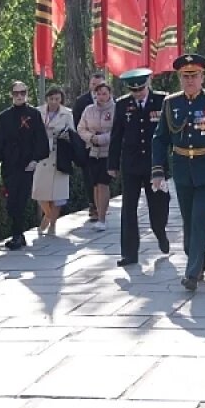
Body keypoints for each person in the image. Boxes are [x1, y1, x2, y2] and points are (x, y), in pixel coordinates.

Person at [151, 53, 205, 291]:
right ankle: (197, 264)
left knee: (200, 218)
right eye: (185, 76)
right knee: (189, 221)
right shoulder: (171, 102)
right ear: (180, 78)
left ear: (202, 78)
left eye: (194, 76)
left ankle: (191, 272)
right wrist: (158, 172)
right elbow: (160, 140)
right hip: (181, 169)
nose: (189, 81)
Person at [110, 68, 170, 266]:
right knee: (129, 208)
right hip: (131, 164)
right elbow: (116, 136)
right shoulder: (122, 105)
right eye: (134, 90)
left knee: (158, 204)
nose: (138, 93)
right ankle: (129, 253)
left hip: (155, 165)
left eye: (141, 89)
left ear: (148, 84)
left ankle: (160, 232)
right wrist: (112, 164)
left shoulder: (162, 101)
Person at [0, 81, 49, 250]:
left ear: (27, 93)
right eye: (16, 93)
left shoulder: (34, 114)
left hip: (27, 164)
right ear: (11, 95)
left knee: (20, 200)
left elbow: (41, 140)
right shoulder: (4, 117)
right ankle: (18, 233)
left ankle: (17, 235)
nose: (20, 96)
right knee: (11, 202)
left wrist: (36, 160)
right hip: (10, 164)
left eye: (22, 92)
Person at [32, 86, 75, 238]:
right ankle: (48, 216)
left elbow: (72, 134)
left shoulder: (67, 113)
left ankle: (53, 224)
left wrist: (64, 136)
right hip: (42, 155)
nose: (54, 102)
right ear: (47, 99)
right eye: (51, 99)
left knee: (58, 195)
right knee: (40, 192)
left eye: (57, 99)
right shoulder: (37, 112)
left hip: (59, 155)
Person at [77, 82, 116, 230]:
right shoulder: (89, 110)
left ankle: (102, 217)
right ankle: (97, 211)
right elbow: (81, 128)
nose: (101, 97)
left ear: (109, 94)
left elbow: (118, 130)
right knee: (95, 184)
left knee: (103, 183)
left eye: (104, 93)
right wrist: (91, 138)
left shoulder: (115, 109)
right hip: (92, 151)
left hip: (108, 152)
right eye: (98, 94)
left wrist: (104, 138)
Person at [72, 72, 106, 222]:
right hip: (88, 146)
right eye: (93, 85)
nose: (96, 88)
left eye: (99, 85)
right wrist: (89, 138)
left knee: (103, 179)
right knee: (90, 178)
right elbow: (77, 125)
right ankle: (93, 206)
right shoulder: (81, 101)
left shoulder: (112, 101)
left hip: (106, 147)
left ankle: (102, 207)